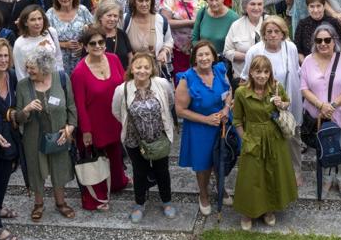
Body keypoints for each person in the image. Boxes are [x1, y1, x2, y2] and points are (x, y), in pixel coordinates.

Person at [231, 55, 297, 228]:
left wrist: (281, 103)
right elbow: (237, 119)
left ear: (270, 73)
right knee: (251, 176)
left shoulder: (276, 87)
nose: (262, 75)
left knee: (272, 173)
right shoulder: (241, 93)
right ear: (251, 72)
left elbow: (287, 104)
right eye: (258, 71)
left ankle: (269, 210)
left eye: (266, 71)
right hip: (253, 137)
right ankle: (248, 213)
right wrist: (244, 138)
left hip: (274, 136)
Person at [15, 48, 78, 223]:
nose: (29, 71)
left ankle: (61, 203)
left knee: (59, 167)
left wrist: (70, 128)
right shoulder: (22, 85)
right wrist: (26, 109)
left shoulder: (62, 79)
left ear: (44, 68)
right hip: (33, 136)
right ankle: (38, 204)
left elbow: (71, 107)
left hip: (59, 134)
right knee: (36, 169)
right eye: (27, 67)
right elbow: (18, 117)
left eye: (32, 68)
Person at [112, 51, 177, 222]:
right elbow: (117, 112)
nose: (142, 70)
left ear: (152, 69)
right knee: (139, 171)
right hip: (134, 139)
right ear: (132, 69)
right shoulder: (122, 89)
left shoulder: (162, 84)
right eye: (138, 67)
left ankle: (166, 201)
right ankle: (139, 203)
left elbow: (169, 103)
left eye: (146, 67)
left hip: (158, 137)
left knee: (162, 170)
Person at [72, 24, 129, 210]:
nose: (98, 46)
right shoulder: (79, 72)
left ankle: (118, 182)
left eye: (101, 42)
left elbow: (124, 86)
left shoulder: (113, 59)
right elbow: (79, 105)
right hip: (94, 124)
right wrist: (86, 131)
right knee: (94, 160)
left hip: (114, 119)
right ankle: (96, 198)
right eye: (92, 43)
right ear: (85, 46)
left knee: (115, 153)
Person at [240, 16, 304, 178]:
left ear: (283, 34)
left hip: (287, 101)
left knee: (292, 137)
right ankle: (273, 172)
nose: (273, 35)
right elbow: (245, 79)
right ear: (263, 34)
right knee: (270, 139)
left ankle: (295, 170)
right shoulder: (255, 51)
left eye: (277, 31)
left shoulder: (291, 48)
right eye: (269, 31)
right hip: (261, 105)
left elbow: (297, 73)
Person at [299, 22, 341, 199]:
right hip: (318, 115)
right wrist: (321, 106)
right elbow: (304, 88)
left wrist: (332, 106)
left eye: (327, 40)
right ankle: (326, 178)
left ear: (334, 40)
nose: (323, 44)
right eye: (319, 40)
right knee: (324, 148)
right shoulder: (308, 61)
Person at [176, 41, 232, 215]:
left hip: (221, 124)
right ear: (194, 58)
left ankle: (220, 187)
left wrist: (226, 109)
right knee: (203, 165)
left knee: (220, 159)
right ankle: (204, 194)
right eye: (200, 55)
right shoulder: (187, 79)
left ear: (213, 56)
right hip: (200, 127)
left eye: (207, 54)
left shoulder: (220, 70)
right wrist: (206, 120)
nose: (204, 58)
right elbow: (180, 110)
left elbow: (229, 91)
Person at [47, 0, 94, 75]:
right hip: (59, 62)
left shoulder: (82, 10)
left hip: (82, 60)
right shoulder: (50, 14)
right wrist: (63, 44)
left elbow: (94, 32)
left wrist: (83, 44)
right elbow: (44, 39)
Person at [125, 0, 173, 71]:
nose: (144, 4)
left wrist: (164, 52)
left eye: (147, 0)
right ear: (134, 2)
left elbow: (169, 40)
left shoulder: (160, 20)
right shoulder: (125, 19)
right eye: (140, 1)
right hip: (131, 68)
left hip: (155, 68)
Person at [224, 0, 265, 80]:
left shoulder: (271, 22)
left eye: (259, 4)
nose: (256, 7)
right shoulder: (236, 25)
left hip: (266, 77)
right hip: (243, 78)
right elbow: (227, 52)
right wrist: (249, 56)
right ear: (245, 6)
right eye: (252, 4)